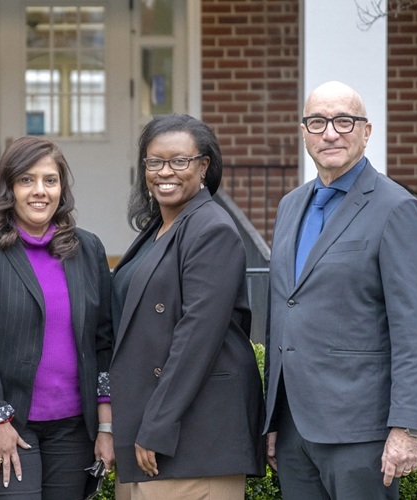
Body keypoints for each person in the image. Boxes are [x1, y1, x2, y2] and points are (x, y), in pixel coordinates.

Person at [262, 81, 417, 499]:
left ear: (366, 131)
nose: (330, 133)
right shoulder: (290, 206)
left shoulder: (397, 208)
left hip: (362, 433)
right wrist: (272, 419)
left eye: (344, 121)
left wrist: (407, 427)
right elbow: (283, 313)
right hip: (293, 429)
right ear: (304, 132)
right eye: (317, 122)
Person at [0, 136, 116, 499]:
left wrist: (106, 426)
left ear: (61, 189)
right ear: (9, 187)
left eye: (50, 180)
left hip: (73, 430)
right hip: (4, 424)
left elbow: (103, 341)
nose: (40, 191)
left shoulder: (87, 248)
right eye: (26, 180)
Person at [109, 114, 265, 499]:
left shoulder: (212, 229)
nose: (166, 172)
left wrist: (156, 426)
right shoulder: (159, 227)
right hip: (148, 437)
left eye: (180, 161)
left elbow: (196, 338)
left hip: (192, 441)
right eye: (155, 161)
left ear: (204, 166)